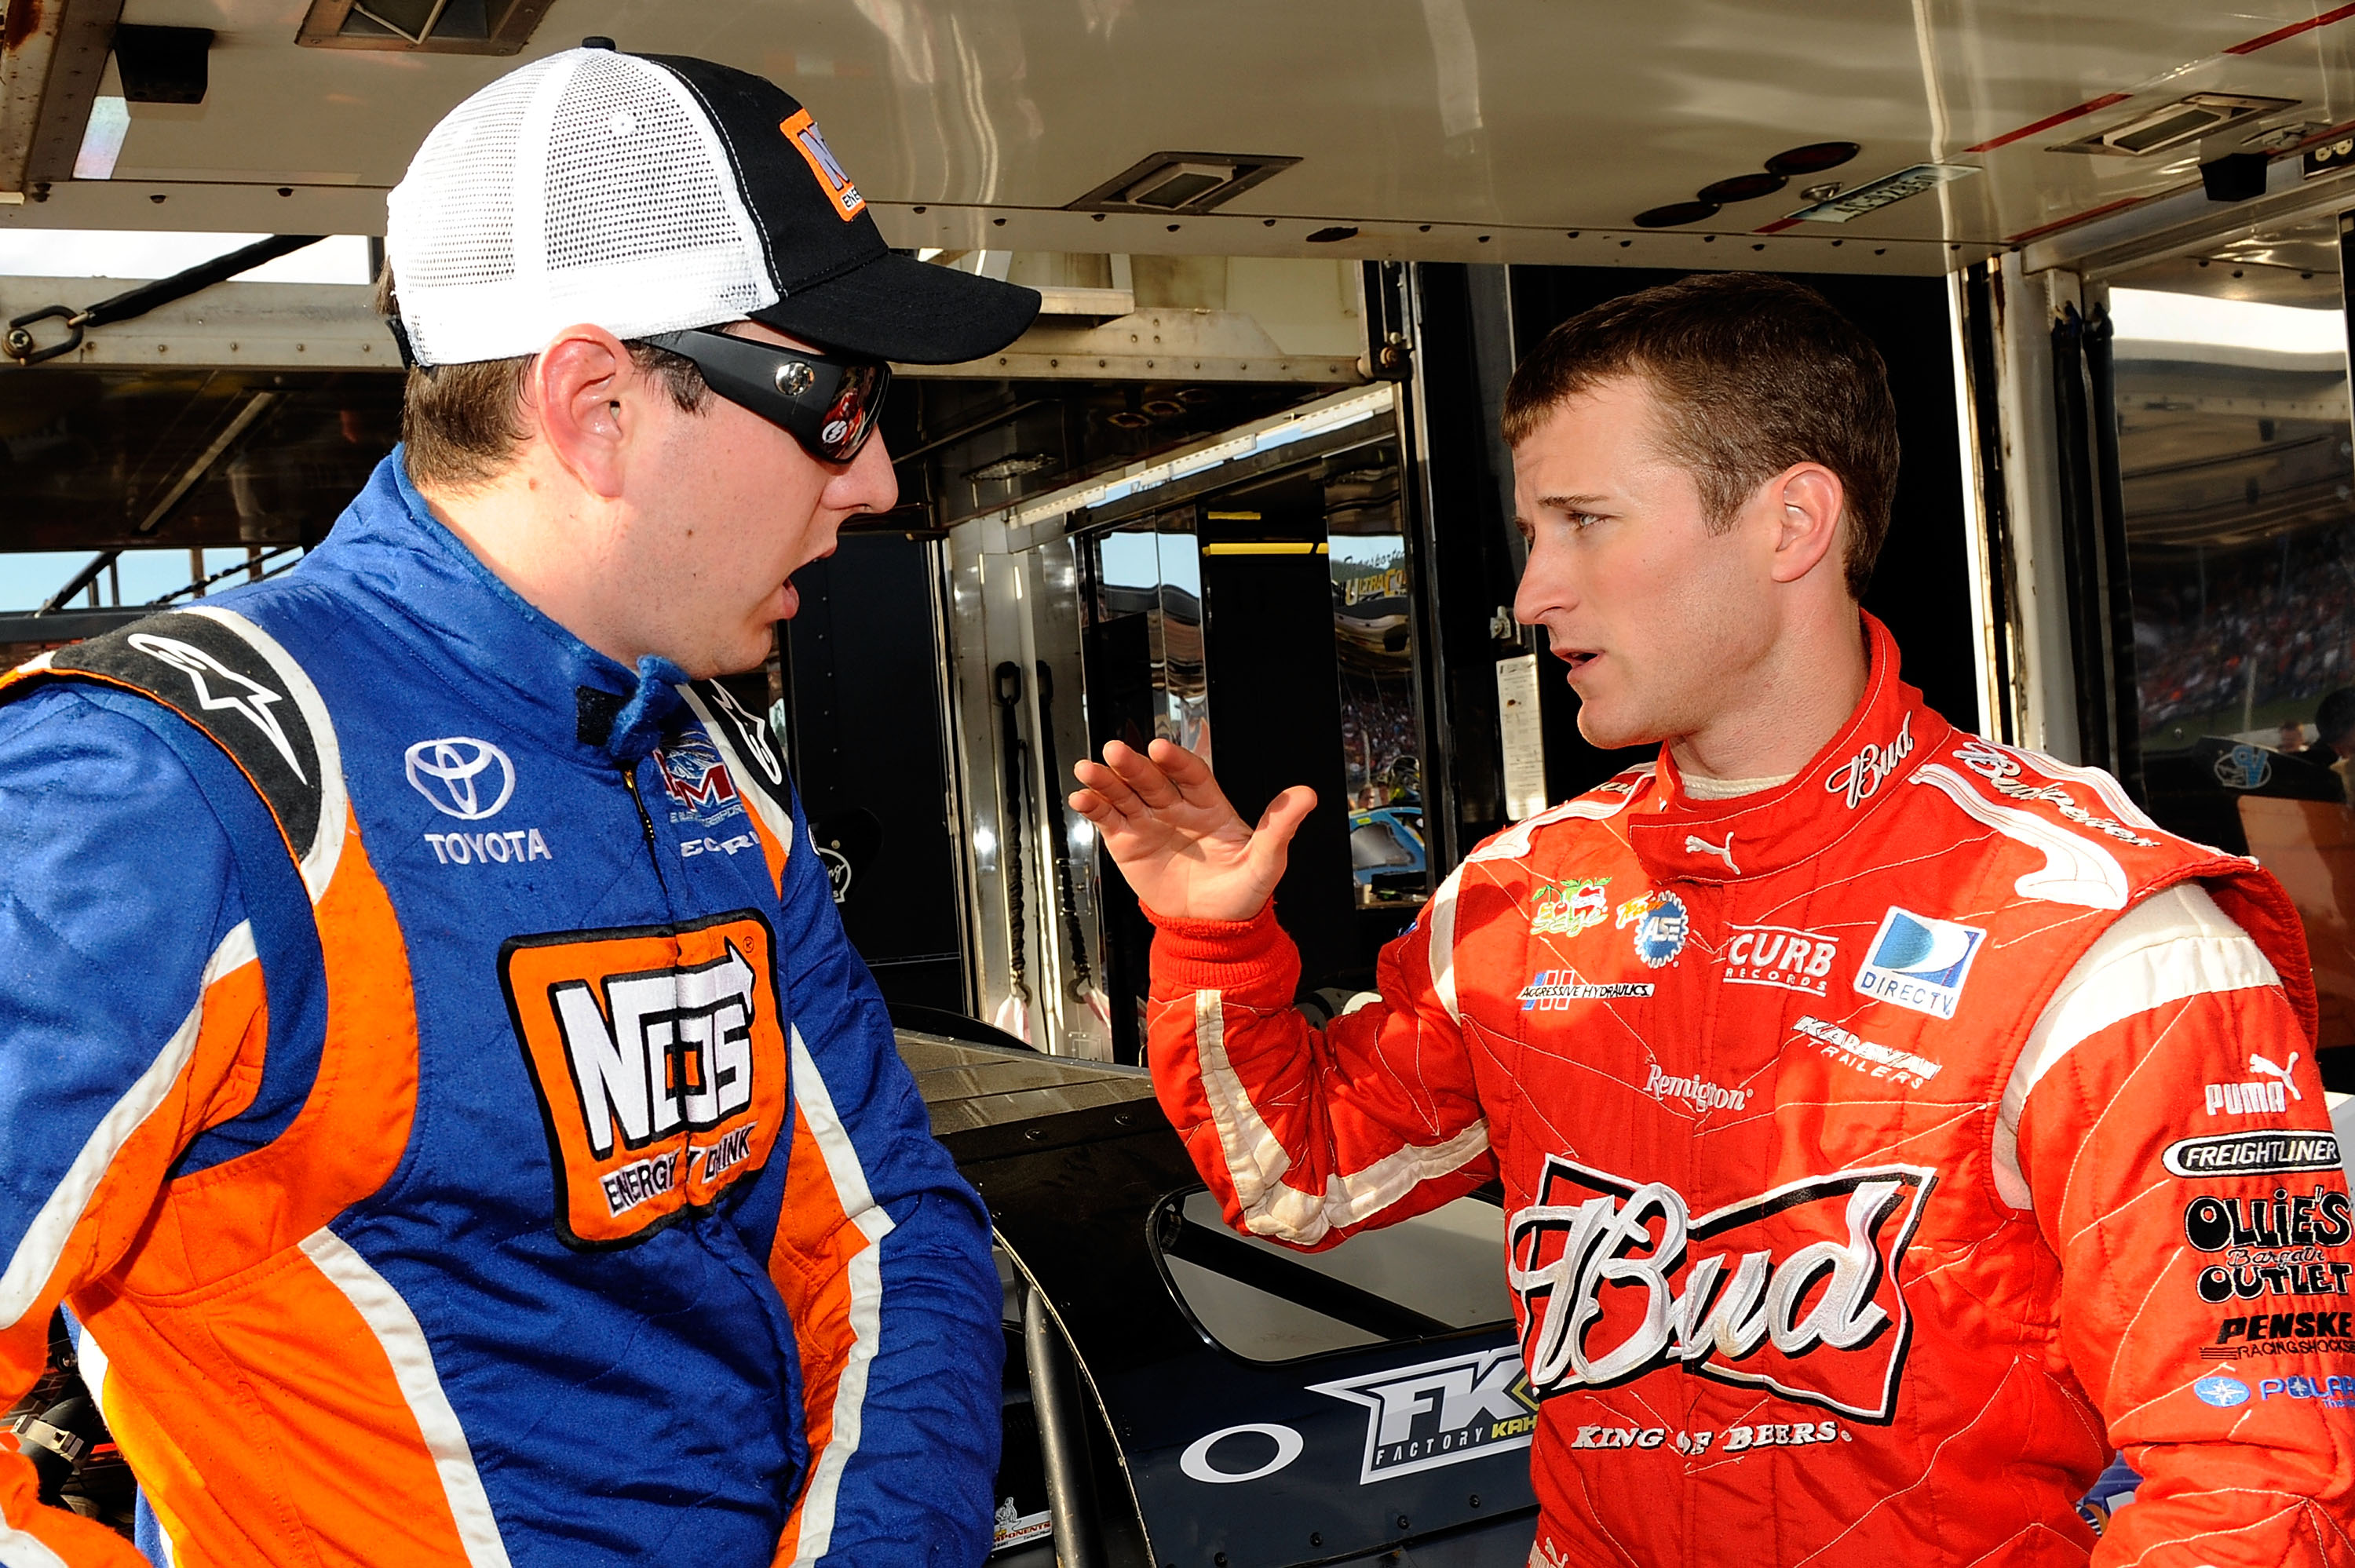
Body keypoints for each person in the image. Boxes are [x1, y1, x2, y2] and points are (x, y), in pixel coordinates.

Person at [1072, 274, 2353, 1566]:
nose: (1531, 593)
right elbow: (1300, 1178)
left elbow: (2254, 1481)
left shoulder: (2104, 935)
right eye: (1534, 531)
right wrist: (1217, 945)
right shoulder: (1523, 896)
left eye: (1584, 522)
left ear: (1794, 520)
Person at [0, 42, 1038, 1568]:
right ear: (597, 402)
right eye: (835, 394)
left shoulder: (703, 756)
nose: (876, 475)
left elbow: (892, 1234)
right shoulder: (186, 780)